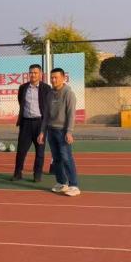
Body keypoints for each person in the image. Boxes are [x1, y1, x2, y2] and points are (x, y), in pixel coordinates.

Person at [12, 64, 52, 182]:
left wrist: (45, 126)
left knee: (40, 151)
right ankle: (17, 173)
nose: (33, 75)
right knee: (21, 150)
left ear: (40, 74)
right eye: (31, 72)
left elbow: (48, 106)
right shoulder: (23, 88)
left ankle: (37, 175)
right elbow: (21, 102)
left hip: (40, 123)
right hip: (26, 123)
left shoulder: (46, 88)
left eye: (35, 73)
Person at [45, 67, 81, 196]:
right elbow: (46, 115)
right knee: (56, 159)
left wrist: (69, 131)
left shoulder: (68, 94)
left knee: (66, 158)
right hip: (51, 130)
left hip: (63, 131)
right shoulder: (49, 94)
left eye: (56, 77)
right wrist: (42, 131)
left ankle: (74, 185)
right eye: (52, 77)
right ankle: (61, 183)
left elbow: (71, 115)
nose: (53, 80)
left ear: (63, 78)